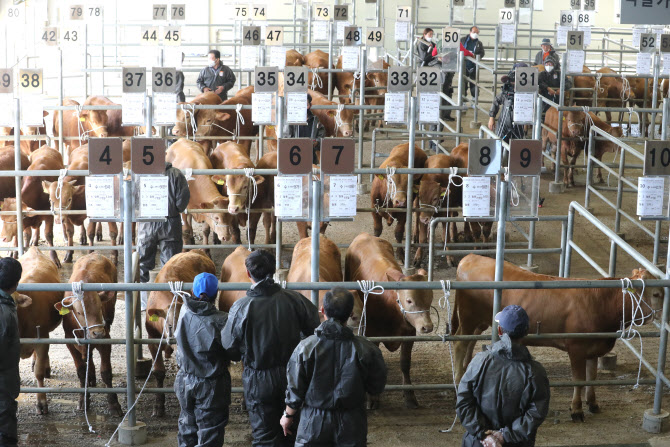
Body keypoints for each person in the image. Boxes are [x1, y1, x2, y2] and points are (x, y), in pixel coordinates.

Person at [222, 250, 320, 446]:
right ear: (274, 271)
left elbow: (229, 347)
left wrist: (247, 351)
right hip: (292, 375)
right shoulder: (295, 299)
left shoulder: (241, 307)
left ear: (248, 274)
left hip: (258, 379)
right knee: (293, 430)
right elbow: (315, 333)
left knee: (264, 435)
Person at [280, 288, 388, 446]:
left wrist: (288, 416)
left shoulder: (305, 347)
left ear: (322, 310)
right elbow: (376, 386)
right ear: (351, 313)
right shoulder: (367, 349)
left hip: (313, 421)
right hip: (351, 421)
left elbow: (295, 388)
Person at [456, 305, 550, 447]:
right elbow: (536, 413)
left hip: (477, 442)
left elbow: (464, 401)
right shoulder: (535, 371)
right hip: (516, 443)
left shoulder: (479, 361)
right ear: (526, 332)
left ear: (499, 330)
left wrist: (483, 434)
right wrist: (504, 436)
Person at [174, 272, 231, 447]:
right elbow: (233, 351)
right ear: (217, 293)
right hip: (211, 384)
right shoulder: (222, 320)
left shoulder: (183, 310)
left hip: (184, 380)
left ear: (192, 290)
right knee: (210, 430)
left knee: (187, 424)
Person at [138, 162, 190, 310]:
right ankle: (167, 301)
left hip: (146, 222)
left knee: (142, 263)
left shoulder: (141, 173)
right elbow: (183, 198)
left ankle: (142, 303)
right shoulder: (176, 173)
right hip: (170, 222)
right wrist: (177, 208)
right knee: (170, 264)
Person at [0, 257, 23, 447]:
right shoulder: (6, 313)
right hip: (3, 382)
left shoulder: (8, 306)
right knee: (5, 432)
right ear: (16, 284)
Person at [417, 28, 456, 123]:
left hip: (433, 69)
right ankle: (420, 116)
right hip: (426, 70)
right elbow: (423, 58)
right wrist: (435, 57)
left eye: (432, 34)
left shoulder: (432, 44)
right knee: (424, 93)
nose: (431, 36)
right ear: (425, 34)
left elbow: (437, 50)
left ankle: (444, 114)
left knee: (445, 91)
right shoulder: (421, 44)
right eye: (430, 34)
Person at [488, 63, 528, 143]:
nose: (513, 83)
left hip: (519, 122)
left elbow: (530, 107)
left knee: (518, 146)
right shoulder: (506, 92)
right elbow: (496, 100)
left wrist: (526, 123)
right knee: (499, 143)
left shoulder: (527, 93)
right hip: (504, 122)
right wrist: (491, 117)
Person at [283, 93, 326, 164]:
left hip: (310, 158)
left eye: (306, 105)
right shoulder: (290, 121)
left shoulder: (315, 121)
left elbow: (321, 137)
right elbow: (285, 139)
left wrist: (317, 142)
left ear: (310, 105)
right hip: (293, 158)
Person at [460, 26, 485, 101]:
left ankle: (474, 100)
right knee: (463, 83)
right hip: (464, 65)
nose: (475, 34)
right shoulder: (463, 40)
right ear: (470, 32)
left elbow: (482, 53)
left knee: (474, 83)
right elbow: (459, 49)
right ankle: (463, 101)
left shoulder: (479, 43)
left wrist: (476, 56)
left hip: (473, 66)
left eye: (477, 32)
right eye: (474, 32)